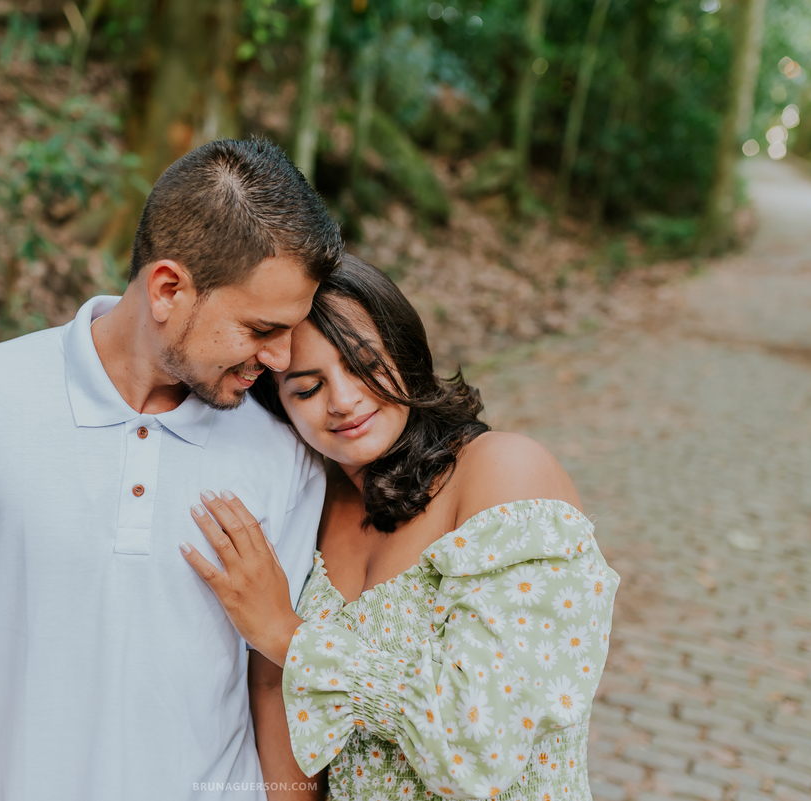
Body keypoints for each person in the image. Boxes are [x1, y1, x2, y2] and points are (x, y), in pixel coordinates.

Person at [0, 138, 344, 800]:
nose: (283, 357)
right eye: (261, 328)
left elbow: (269, 678)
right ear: (168, 288)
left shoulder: (284, 453)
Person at [181, 254, 620, 800]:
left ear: (405, 350)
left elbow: (479, 749)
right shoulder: (310, 504)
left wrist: (286, 635)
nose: (344, 401)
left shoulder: (505, 473)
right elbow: (276, 693)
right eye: (307, 388)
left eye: (364, 362)